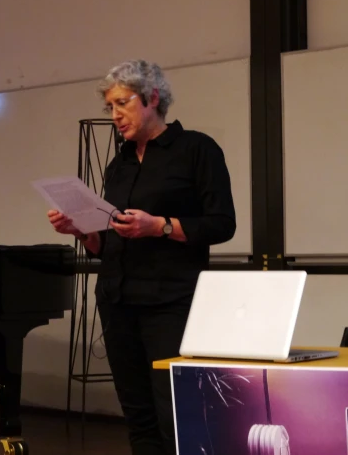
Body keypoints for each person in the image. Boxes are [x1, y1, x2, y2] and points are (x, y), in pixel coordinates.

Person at [47, 59, 236, 455]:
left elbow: (222, 224)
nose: (115, 116)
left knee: (176, 414)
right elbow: (108, 243)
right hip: (118, 302)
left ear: (152, 98)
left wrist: (160, 226)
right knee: (138, 418)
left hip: (172, 303)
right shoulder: (120, 162)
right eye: (110, 108)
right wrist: (81, 231)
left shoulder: (197, 149)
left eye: (122, 103)